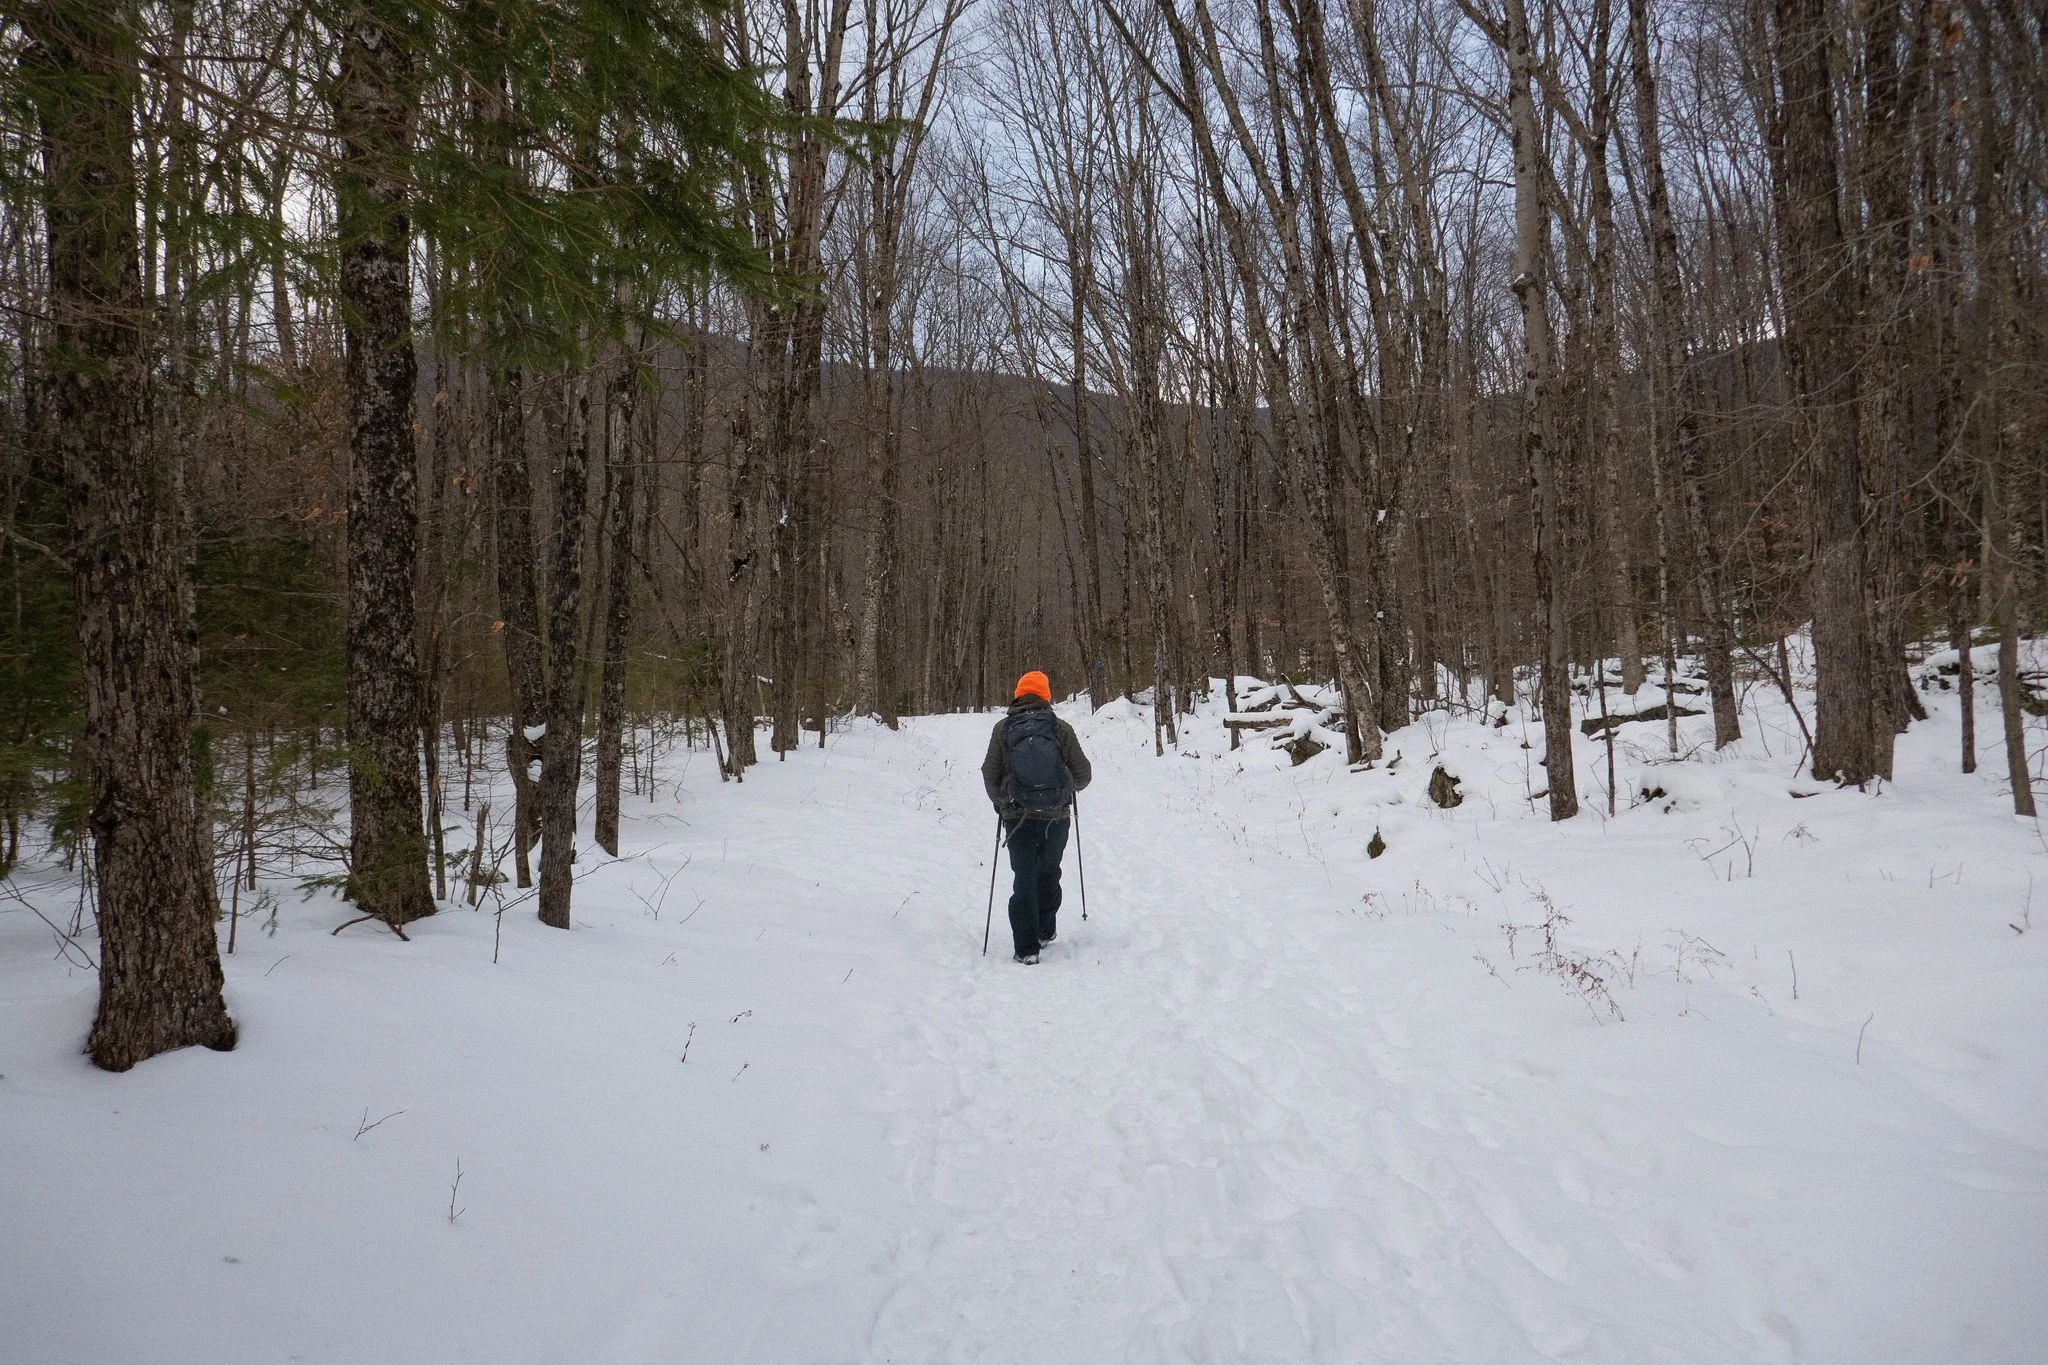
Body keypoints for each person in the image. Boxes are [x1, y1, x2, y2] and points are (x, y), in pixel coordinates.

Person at [982, 670, 1092, 964]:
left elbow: (989, 774)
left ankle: (1026, 948)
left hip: (1017, 816)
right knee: (1049, 871)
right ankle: (1045, 929)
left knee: (1024, 877)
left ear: (1018, 694)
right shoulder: (1061, 728)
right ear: (1046, 695)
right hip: (1056, 815)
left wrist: (1001, 803)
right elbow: (1084, 775)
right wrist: (1068, 788)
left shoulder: (1003, 729)